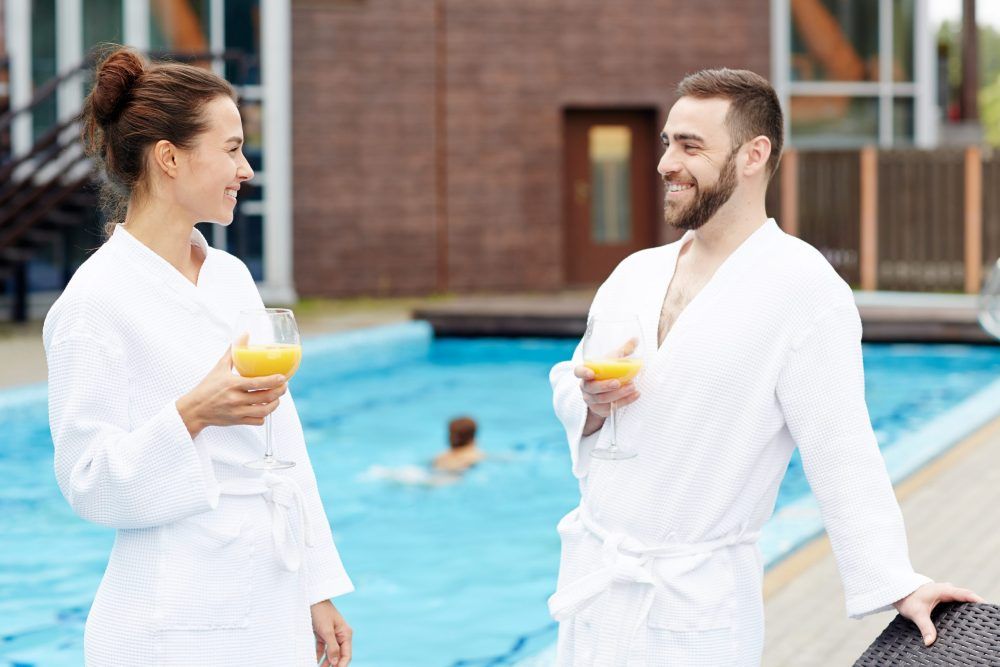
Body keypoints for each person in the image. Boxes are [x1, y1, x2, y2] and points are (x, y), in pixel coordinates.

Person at [547, 68, 982, 666]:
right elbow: (572, 382)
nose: (666, 163)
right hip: (594, 595)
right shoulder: (634, 273)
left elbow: (841, 448)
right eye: (668, 142)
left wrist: (897, 583)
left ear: (754, 155)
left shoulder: (802, 290)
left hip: (694, 615)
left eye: (690, 146)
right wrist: (591, 403)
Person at [43, 47, 353, 666]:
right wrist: (192, 414)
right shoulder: (94, 302)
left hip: (268, 599)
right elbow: (88, 484)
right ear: (169, 158)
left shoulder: (230, 275)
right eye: (232, 149)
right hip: (170, 619)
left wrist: (315, 586)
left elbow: (284, 444)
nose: (247, 170)